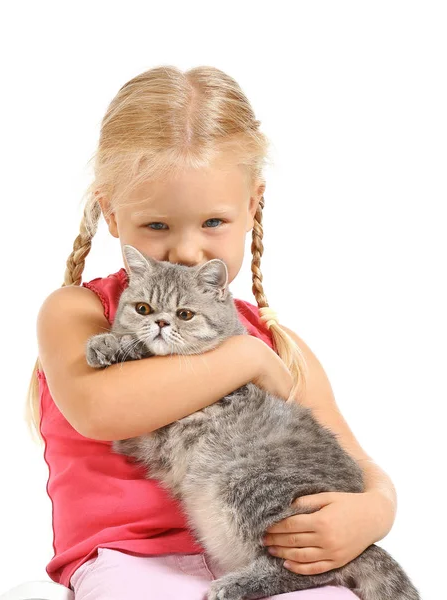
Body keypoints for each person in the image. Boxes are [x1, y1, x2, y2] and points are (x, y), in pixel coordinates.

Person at [26, 65, 397, 600]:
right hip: (128, 557)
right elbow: (101, 409)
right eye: (157, 225)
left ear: (252, 207)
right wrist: (245, 359)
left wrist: (374, 511)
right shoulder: (78, 312)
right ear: (110, 212)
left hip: (269, 554)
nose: (187, 250)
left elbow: (357, 464)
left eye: (213, 222)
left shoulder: (277, 342)